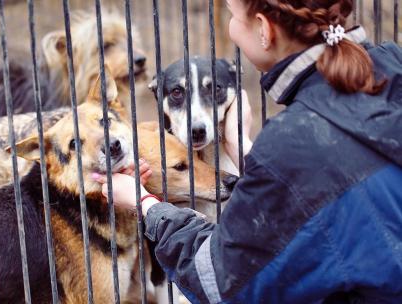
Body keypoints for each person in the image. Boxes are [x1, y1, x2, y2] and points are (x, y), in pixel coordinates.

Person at [93, 0, 402, 302]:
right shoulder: (392, 64)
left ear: (264, 29)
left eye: (232, 15)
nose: (230, 28)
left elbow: (220, 281)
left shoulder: (291, 141)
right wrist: (240, 145)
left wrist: (144, 203)